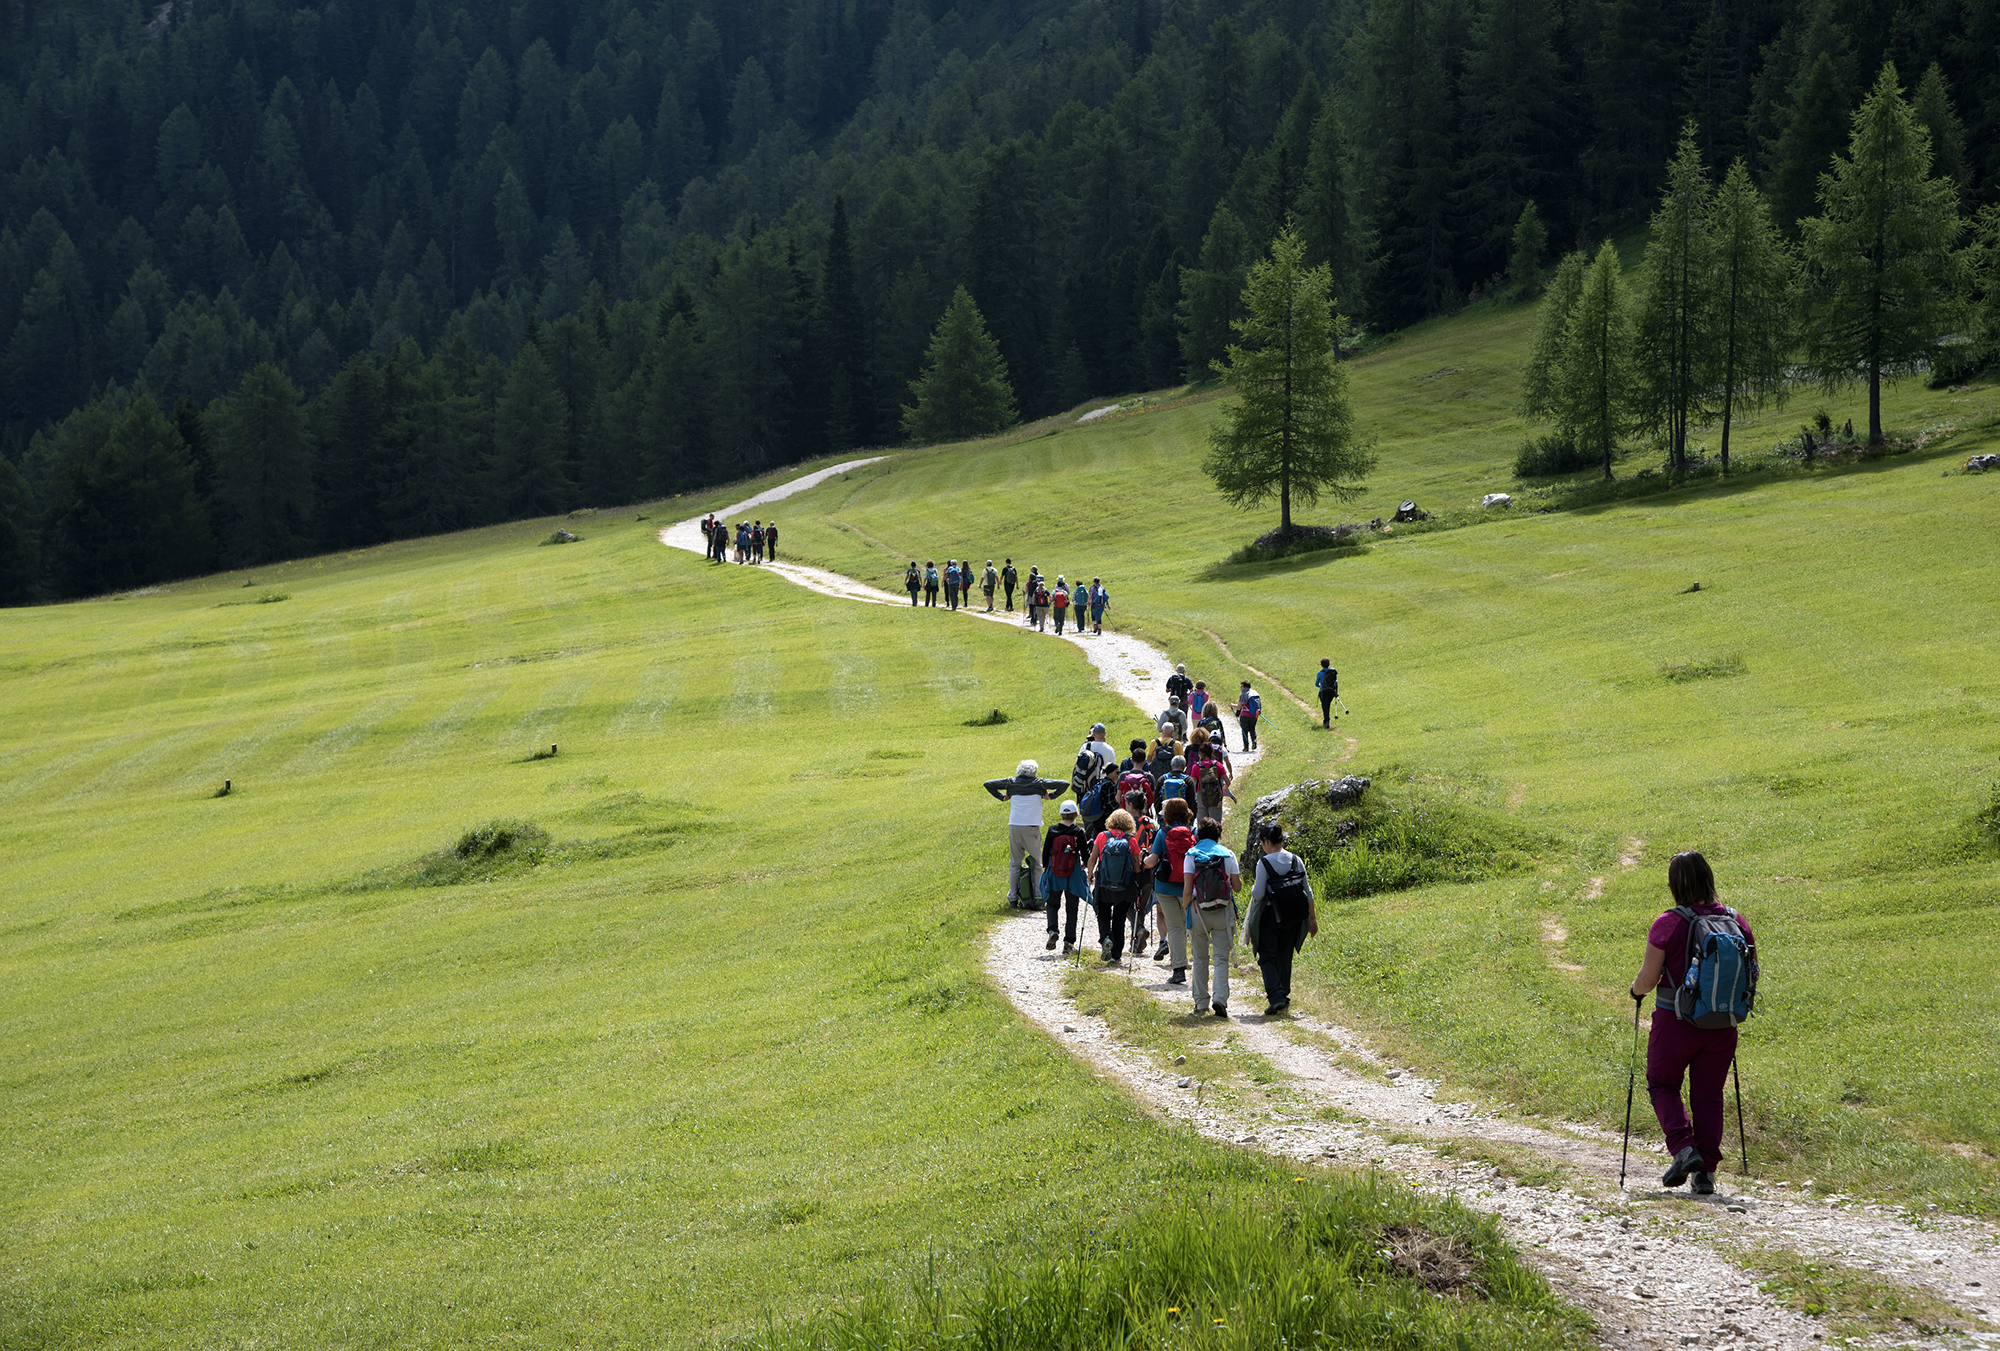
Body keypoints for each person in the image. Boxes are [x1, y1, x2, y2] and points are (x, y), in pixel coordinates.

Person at [1630, 850, 1756, 1195]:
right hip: (1722, 1024)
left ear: (1675, 884)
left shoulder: (1668, 923)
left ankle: (1684, 1149)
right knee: (1708, 1096)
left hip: (1676, 1023)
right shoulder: (1736, 921)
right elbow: (1751, 972)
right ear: (1708, 877)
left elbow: (1648, 980)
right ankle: (1706, 1175)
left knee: (1662, 1085)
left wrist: (1635, 990)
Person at [1245, 822, 1317, 1016]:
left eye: (1262, 843)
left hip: (1271, 916)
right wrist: (1313, 919)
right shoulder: (1296, 860)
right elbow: (1308, 892)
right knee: (1285, 956)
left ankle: (1276, 997)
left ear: (1266, 841)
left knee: (1267, 957)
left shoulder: (1264, 863)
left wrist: (1253, 889)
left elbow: (1259, 894)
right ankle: (1283, 995)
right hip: (1294, 915)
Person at [984, 759, 1069, 904]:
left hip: (1014, 826)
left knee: (1015, 863)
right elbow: (1064, 784)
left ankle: (1012, 898)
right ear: (1034, 772)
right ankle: (1038, 896)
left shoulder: (1011, 783)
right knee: (1037, 864)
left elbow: (988, 784)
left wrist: (1002, 797)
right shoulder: (1039, 784)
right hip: (1031, 827)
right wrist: (1050, 796)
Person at [1183, 816, 1241, 1017]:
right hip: (1222, 910)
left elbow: (1187, 889)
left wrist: (1185, 909)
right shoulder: (1228, 854)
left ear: (1198, 835)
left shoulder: (1191, 854)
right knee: (1221, 958)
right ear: (1218, 835)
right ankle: (1220, 999)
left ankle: (1201, 1002)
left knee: (1200, 958)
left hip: (1197, 910)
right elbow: (1237, 887)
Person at [1143, 798, 1197, 982]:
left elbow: (1152, 861)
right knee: (1184, 925)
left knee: (1174, 926)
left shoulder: (1163, 833)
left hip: (1165, 887)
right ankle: (1189, 961)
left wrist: (1143, 858)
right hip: (1187, 886)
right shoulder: (1193, 832)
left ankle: (1179, 969)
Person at [1090, 809, 1142, 964]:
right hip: (1124, 886)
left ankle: (1105, 937)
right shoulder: (1131, 840)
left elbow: (1093, 858)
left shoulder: (1102, 836)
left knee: (1103, 913)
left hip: (1104, 884)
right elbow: (1137, 867)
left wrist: (1090, 873)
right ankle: (1115, 955)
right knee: (1119, 919)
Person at [1042, 800, 1093, 953]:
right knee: (1072, 908)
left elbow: (1045, 852)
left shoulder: (1052, 830)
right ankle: (1069, 943)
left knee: (1052, 904)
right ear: (1075, 814)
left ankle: (1053, 930)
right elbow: (1085, 854)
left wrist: (1046, 867)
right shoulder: (1078, 832)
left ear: (1061, 814)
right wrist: (1085, 865)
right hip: (1072, 874)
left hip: (1055, 872)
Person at [1124, 791, 1158, 957]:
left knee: (1128, 905)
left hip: (1133, 870)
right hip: (1149, 870)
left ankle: (1139, 930)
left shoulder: (1129, 825)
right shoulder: (1152, 823)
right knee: (1141, 907)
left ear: (1131, 805)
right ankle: (1137, 944)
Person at [1235, 681, 1262, 752]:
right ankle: (1254, 741)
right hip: (1254, 715)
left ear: (1245, 687)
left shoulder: (1243, 694)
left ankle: (1246, 747)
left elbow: (1239, 706)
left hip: (1245, 715)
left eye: (1241, 686)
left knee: (1244, 731)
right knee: (1252, 729)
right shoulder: (1254, 693)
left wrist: (1231, 705)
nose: (1240, 688)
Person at [1315, 659, 1337, 728]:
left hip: (1323, 691)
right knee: (1328, 705)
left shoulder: (1319, 673)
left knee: (1325, 707)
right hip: (1331, 692)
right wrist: (1336, 692)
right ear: (1329, 664)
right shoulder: (1332, 672)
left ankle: (1326, 721)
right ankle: (1326, 720)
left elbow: (1316, 684)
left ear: (1321, 665)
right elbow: (1336, 683)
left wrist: (1320, 685)